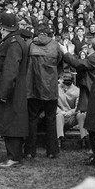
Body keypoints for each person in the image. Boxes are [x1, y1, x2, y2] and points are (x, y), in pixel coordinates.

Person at [0, 12, 29, 168]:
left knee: (11, 124)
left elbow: (10, 71)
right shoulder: (16, 41)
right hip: (15, 89)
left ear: (3, 28)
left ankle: (14, 157)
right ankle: (15, 155)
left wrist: (3, 93)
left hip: (11, 90)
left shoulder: (13, 44)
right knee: (12, 122)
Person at [25, 24, 62, 160]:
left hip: (33, 88)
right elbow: (59, 61)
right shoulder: (55, 45)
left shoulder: (30, 45)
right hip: (50, 88)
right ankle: (52, 151)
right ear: (48, 33)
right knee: (51, 119)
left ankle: (29, 151)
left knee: (32, 120)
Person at [59, 37, 95, 148]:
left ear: (91, 46)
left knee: (93, 124)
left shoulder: (94, 57)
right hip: (91, 91)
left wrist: (66, 52)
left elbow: (78, 64)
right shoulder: (94, 57)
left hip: (91, 92)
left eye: (87, 45)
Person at [56, 73, 87, 149]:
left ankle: (84, 138)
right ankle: (59, 139)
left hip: (72, 116)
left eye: (68, 81)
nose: (65, 83)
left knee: (82, 114)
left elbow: (78, 106)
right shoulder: (56, 89)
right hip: (61, 115)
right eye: (64, 80)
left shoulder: (77, 91)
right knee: (58, 115)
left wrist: (70, 113)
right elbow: (53, 105)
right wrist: (60, 111)